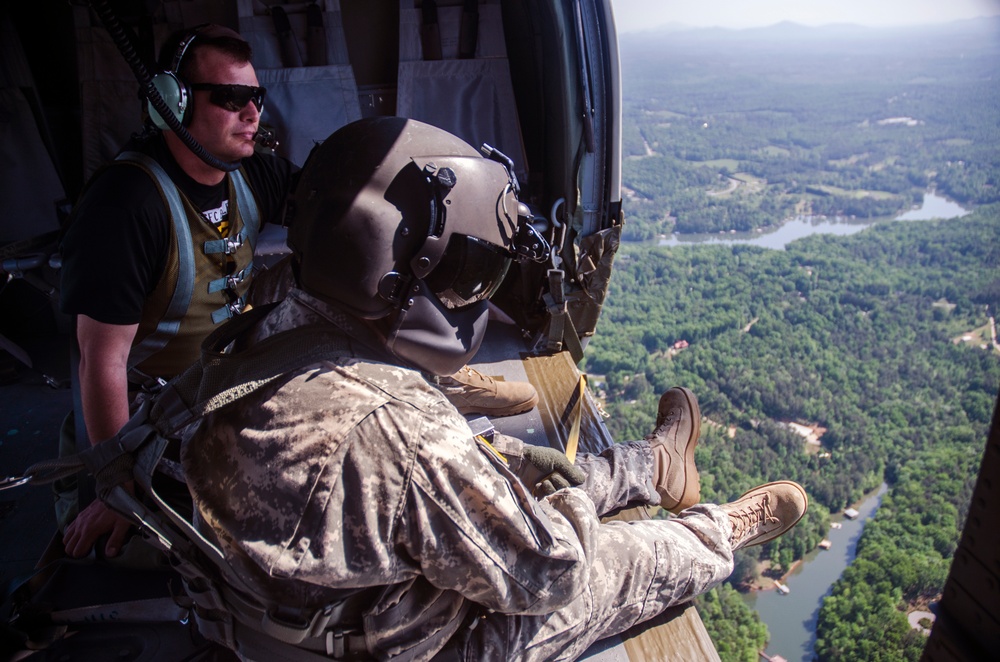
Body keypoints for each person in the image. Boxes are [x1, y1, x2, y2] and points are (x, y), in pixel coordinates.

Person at [180, 116, 808, 661]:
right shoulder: (407, 432)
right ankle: (717, 531)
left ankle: (653, 464)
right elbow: (550, 572)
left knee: (516, 480)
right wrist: (565, 508)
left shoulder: (258, 329)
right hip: (421, 642)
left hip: (296, 613)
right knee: (613, 563)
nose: (473, 296)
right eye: (470, 275)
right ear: (398, 272)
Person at [57, 23, 539, 560]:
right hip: (168, 397)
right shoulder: (125, 207)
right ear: (173, 104)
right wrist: (118, 487)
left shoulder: (248, 174)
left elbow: (336, 211)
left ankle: (429, 378)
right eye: (230, 99)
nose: (251, 114)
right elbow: (101, 360)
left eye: (255, 98)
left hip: (229, 353)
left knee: (343, 262)